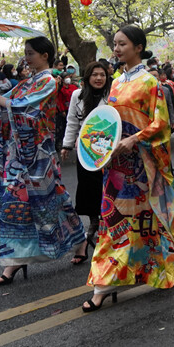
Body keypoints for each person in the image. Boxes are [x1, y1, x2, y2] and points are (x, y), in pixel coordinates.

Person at [84, 26, 174, 312]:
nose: (116, 49)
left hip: (142, 167)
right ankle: (103, 284)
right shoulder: (115, 82)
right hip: (116, 166)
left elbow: (162, 123)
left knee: (148, 222)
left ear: (138, 47)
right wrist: (100, 150)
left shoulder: (151, 82)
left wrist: (135, 139)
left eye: (122, 44)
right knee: (112, 221)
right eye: (114, 44)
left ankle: (167, 264)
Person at [0, 37, 86, 285]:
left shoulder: (49, 81)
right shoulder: (27, 82)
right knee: (15, 201)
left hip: (40, 153)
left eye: (31, 53)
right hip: (18, 154)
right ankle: (15, 260)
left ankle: (79, 240)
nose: (26, 58)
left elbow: (18, 106)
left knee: (52, 200)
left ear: (45, 55)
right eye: (25, 53)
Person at [60, 62, 112, 264]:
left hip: (107, 147)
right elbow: (72, 121)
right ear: (87, 77)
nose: (99, 78)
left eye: (102, 75)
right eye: (94, 75)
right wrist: (66, 145)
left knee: (106, 187)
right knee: (88, 187)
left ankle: (107, 225)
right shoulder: (77, 95)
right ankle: (94, 223)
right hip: (85, 148)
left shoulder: (112, 94)